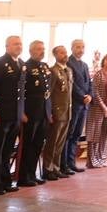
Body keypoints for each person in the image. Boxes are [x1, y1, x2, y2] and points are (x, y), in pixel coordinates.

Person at [0, 35, 25, 196]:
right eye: (15, 44)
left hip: (14, 115)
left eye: (20, 44)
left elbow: (21, 92)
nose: (19, 46)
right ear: (7, 46)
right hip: (0, 114)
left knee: (8, 150)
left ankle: (6, 180)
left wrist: (21, 112)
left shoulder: (21, 64)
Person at [17, 40, 52, 188]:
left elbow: (47, 92)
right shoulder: (26, 67)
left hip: (43, 112)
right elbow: (20, 91)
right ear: (31, 51)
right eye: (38, 49)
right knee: (28, 145)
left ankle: (32, 174)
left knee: (38, 144)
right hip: (30, 112)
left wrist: (49, 112)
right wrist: (22, 112)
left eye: (43, 49)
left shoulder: (44, 66)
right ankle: (23, 176)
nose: (42, 51)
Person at [41, 45, 73, 180]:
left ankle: (56, 167)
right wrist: (50, 113)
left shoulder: (69, 70)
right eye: (61, 53)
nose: (65, 55)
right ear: (55, 55)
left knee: (60, 142)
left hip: (67, 111)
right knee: (52, 142)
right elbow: (49, 94)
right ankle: (48, 169)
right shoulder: (52, 71)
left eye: (65, 52)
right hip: (57, 111)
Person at [64, 39, 92, 174]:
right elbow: (72, 84)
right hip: (74, 104)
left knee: (76, 135)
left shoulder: (85, 65)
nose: (80, 50)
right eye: (77, 47)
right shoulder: (68, 63)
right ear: (72, 48)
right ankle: (64, 164)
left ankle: (71, 162)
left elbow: (89, 83)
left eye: (82, 47)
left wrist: (90, 96)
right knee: (69, 134)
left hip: (84, 105)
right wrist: (82, 97)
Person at [87, 53, 107, 168]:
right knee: (95, 135)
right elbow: (95, 92)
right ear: (103, 61)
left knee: (105, 136)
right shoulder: (98, 75)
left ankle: (102, 158)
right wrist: (104, 108)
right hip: (98, 109)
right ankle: (93, 161)